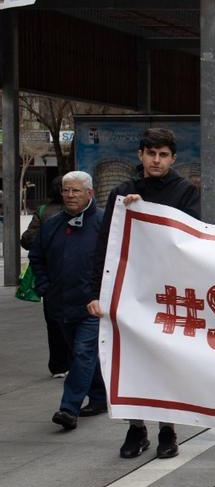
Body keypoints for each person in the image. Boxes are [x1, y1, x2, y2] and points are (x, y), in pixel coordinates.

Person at [88, 127, 201, 459]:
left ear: (172, 158)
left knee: (166, 359)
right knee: (131, 359)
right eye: (151, 153)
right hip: (130, 289)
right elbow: (106, 243)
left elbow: (191, 237)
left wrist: (149, 213)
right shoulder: (123, 192)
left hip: (168, 289)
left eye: (163, 154)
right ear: (140, 155)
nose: (156, 160)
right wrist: (98, 292)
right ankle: (136, 428)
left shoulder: (184, 191)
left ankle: (168, 429)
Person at [33, 172, 107, 432]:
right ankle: (99, 397)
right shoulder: (52, 224)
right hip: (60, 305)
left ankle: (69, 408)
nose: (70, 195)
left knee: (83, 353)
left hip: (92, 306)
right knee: (84, 356)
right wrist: (44, 287)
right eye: (66, 191)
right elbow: (36, 258)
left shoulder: (103, 223)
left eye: (76, 191)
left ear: (90, 193)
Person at [20, 176, 70, 378]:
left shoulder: (43, 211)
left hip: (50, 278)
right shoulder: (79, 212)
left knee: (54, 322)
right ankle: (73, 363)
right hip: (67, 276)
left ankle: (59, 365)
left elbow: (27, 239)